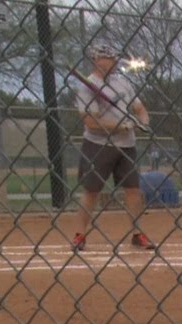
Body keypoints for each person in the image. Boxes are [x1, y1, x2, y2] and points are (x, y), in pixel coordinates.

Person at [70, 42, 155, 252]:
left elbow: (139, 107)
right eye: (109, 58)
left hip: (127, 145)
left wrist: (142, 122)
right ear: (97, 60)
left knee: (133, 190)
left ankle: (137, 234)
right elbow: (91, 122)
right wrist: (121, 126)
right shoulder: (87, 86)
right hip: (98, 145)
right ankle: (80, 235)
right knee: (91, 191)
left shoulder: (122, 83)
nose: (114, 62)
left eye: (114, 58)